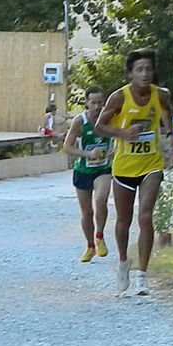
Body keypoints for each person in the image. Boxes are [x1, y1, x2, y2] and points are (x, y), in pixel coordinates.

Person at [95, 48, 173, 295]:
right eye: (139, 69)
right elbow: (99, 126)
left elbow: (166, 112)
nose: (145, 73)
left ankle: (142, 275)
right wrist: (122, 133)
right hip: (125, 165)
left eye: (149, 69)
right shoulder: (118, 98)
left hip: (151, 164)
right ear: (130, 73)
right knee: (123, 220)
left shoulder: (160, 95)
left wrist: (170, 134)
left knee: (146, 217)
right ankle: (123, 261)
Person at [62, 86, 117, 263]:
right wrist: (87, 154)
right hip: (83, 170)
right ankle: (90, 246)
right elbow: (67, 146)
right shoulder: (80, 121)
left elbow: (121, 137)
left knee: (101, 199)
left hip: (103, 169)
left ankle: (99, 236)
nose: (96, 106)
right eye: (93, 102)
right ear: (87, 103)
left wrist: (114, 151)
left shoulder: (110, 119)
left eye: (100, 102)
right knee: (87, 212)